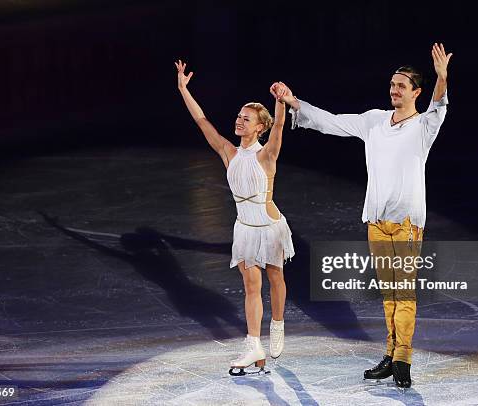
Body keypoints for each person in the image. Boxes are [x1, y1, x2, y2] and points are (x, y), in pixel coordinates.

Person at [270, 43, 453, 388]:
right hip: (377, 223)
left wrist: (442, 76)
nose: (394, 90)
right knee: (388, 294)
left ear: (416, 91)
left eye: (401, 85)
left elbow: (439, 104)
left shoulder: (424, 126)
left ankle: (403, 358)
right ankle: (390, 353)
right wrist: (295, 102)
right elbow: (333, 122)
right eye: (392, 84)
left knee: (404, 293)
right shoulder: (374, 121)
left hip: (406, 224)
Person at [175, 60, 295, 376]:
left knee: (275, 279)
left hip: (270, 228)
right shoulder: (229, 152)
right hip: (244, 230)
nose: (239, 121)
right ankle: (254, 344)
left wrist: (279, 100)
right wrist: (183, 90)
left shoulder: (266, 154)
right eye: (239, 116)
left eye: (246, 119)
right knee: (251, 288)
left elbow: (280, 127)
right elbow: (202, 121)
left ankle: (278, 323)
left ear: (259, 127)